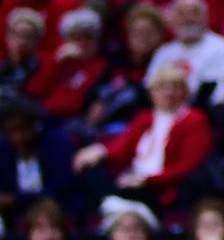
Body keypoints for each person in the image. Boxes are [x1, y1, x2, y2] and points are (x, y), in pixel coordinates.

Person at [70, 63, 212, 208]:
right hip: (131, 179)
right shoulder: (144, 118)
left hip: (162, 186)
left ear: (185, 92)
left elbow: (187, 166)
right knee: (90, 166)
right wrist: (99, 151)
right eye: (162, 87)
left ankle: (113, 207)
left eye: (176, 87)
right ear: (152, 92)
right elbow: (123, 145)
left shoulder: (194, 120)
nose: (169, 93)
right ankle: (114, 206)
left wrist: (146, 180)